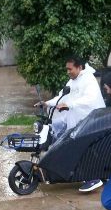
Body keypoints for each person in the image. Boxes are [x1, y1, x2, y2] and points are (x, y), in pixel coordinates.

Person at [35, 55, 106, 192]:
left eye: (70, 69)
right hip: (77, 122)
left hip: (91, 122)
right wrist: (47, 103)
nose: (68, 72)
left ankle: (93, 178)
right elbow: (62, 96)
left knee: (81, 149)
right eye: (66, 69)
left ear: (79, 67)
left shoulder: (88, 80)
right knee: (63, 143)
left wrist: (69, 104)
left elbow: (90, 99)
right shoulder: (72, 81)